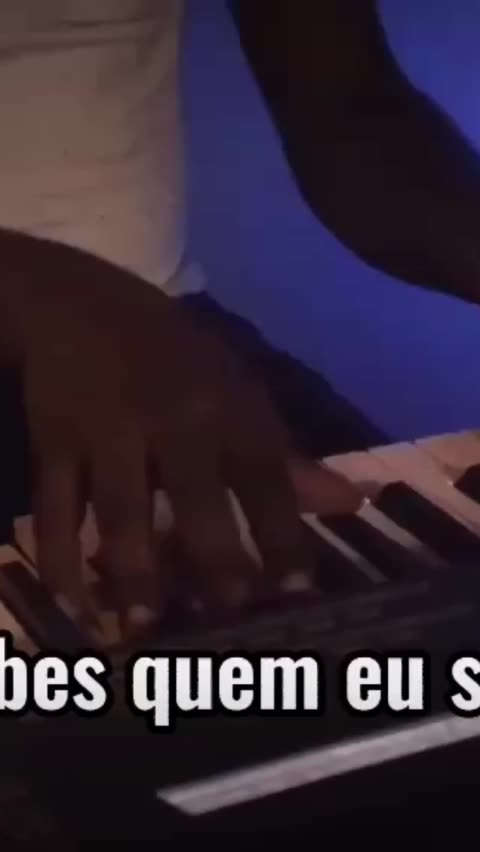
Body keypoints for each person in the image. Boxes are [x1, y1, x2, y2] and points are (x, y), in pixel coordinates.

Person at [0, 1, 477, 641]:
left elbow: (348, 103)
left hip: (163, 339)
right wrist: (51, 295)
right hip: (107, 323)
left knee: (421, 617)